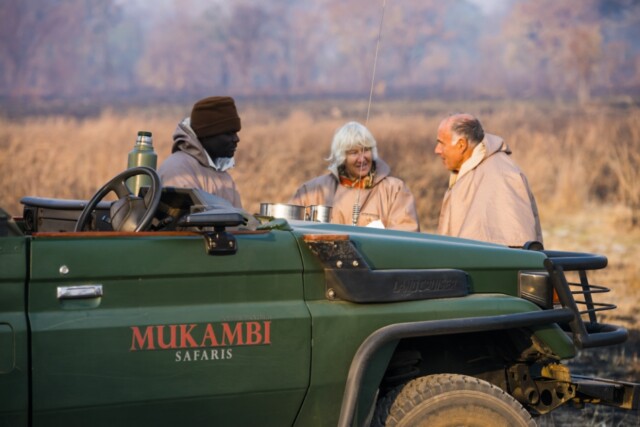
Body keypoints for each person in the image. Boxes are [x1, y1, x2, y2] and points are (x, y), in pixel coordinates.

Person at [434, 113, 543, 247]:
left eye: (441, 143)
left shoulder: (502, 176)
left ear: (461, 144)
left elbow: (515, 243)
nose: (437, 150)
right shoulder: (469, 171)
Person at [289, 121, 420, 232]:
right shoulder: (313, 191)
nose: (362, 159)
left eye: (366, 150)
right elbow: (290, 230)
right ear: (341, 157)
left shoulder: (394, 190)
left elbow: (407, 235)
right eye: (354, 153)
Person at [158, 96, 243, 208]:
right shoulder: (179, 169)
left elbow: (239, 221)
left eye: (236, 133)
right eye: (228, 133)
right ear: (206, 134)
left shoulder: (223, 175)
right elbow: (184, 223)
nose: (236, 139)